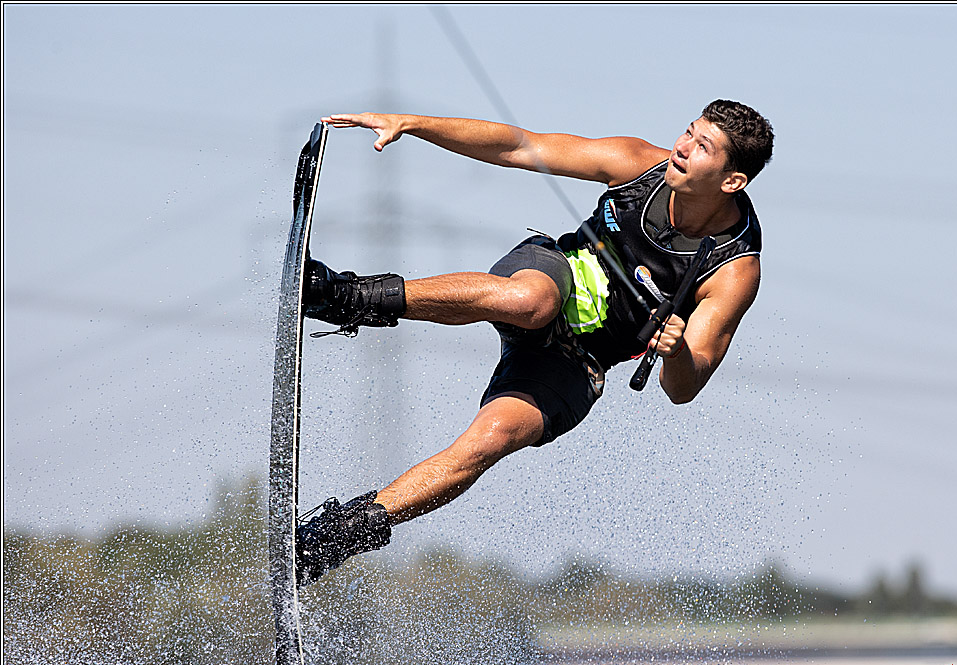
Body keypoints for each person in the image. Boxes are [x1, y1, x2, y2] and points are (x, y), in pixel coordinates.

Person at [294, 100, 774, 587]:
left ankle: (331, 538)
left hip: (578, 361)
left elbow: (684, 387)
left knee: (493, 439)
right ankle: (342, 296)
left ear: (732, 181)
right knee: (532, 300)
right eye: (688, 132)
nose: (683, 147)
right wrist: (412, 124)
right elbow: (519, 145)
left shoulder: (734, 270)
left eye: (702, 146)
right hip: (550, 276)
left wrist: (677, 350)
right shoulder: (637, 165)